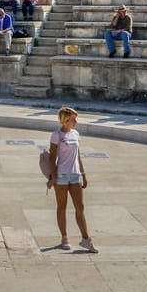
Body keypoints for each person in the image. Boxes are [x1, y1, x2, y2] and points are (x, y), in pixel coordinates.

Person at [46, 107, 94, 251]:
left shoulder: (76, 134)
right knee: (62, 207)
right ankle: (64, 237)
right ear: (65, 120)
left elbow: (78, 156)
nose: (76, 122)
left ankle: (86, 238)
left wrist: (83, 174)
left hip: (75, 175)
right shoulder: (56, 135)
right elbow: (52, 157)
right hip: (61, 175)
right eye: (73, 119)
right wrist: (53, 177)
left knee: (80, 207)